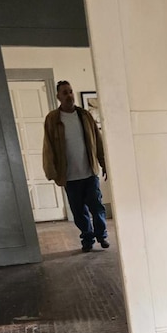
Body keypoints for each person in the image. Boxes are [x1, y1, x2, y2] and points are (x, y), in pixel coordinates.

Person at [43, 80, 109, 252]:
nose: (69, 95)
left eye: (70, 91)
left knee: (97, 207)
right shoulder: (52, 119)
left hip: (89, 173)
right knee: (79, 212)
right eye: (64, 92)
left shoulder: (85, 116)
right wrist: (52, 171)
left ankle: (102, 236)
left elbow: (98, 141)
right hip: (70, 177)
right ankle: (87, 239)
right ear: (58, 96)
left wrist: (105, 164)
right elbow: (48, 146)